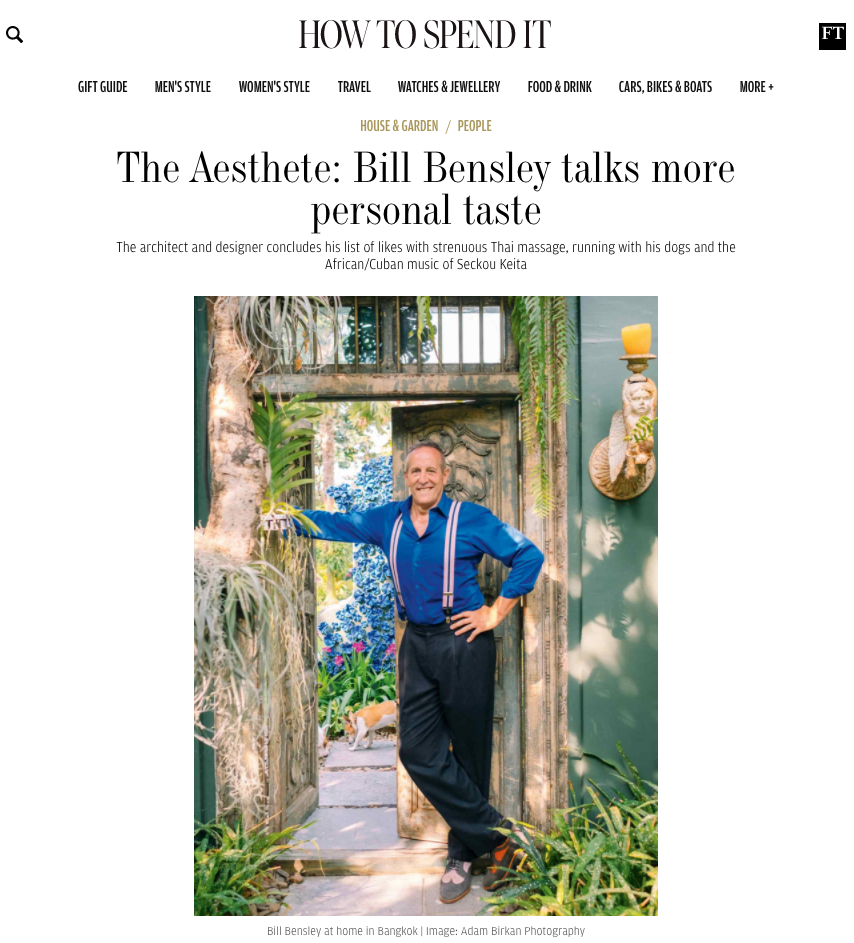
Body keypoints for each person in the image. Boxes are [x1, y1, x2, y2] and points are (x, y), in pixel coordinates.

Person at [284, 440, 545, 904]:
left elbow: (529, 556)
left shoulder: (472, 519)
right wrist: (289, 521)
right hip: (416, 645)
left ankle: (462, 856)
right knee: (418, 751)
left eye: (431, 470)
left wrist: (494, 613)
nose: (423, 477)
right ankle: (500, 837)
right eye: (415, 470)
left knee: (469, 750)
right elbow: (338, 524)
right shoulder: (390, 519)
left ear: (445, 476)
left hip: (464, 641)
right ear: (406, 477)